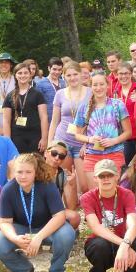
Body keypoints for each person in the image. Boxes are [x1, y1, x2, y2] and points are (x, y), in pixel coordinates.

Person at [0, 154, 76, 272]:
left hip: (48, 228)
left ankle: (57, 271)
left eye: (28, 172)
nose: (23, 176)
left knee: (67, 234)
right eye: (19, 172)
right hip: (22, 228)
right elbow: (5, 222)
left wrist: (39, 237)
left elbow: (59, 216)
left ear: (35, 172)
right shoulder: (8, 190)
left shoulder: (47, 185)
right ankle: (22, 269)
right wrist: (15, 238)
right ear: (13, 172)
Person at [77, 159, 136, 272]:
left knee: (134, 242)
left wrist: (126, 244)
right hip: (101, 243)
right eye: (102, 176)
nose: (106, 179)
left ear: (117, 176)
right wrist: (124, 244)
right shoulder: (87, 198)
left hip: (122, 241)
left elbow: (133, 225)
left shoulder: (127, 194)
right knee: (99, 246)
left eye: (110, 175)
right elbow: (96, 227)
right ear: (95, 178)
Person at [74, 71, 131, 187]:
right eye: (95, 85)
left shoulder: (118, 105)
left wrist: (113, 141)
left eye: (101, 84)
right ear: (91, 86)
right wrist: (90, 139)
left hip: (115, 154)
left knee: (115, 191)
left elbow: (128, 132)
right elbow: (77, 134)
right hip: (92, 155)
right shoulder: (84, 107)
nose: (98, 88)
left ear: (107, 85)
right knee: (95, 193)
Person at [48, 61, 91, 194]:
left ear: (80, 74)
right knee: (64, 180)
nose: (72, 78)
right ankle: (68, 209)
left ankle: (81, 209)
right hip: (62, 141)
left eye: (75, 74)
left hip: (81, 142)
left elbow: (94, 121)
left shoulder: (90, 93)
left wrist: (87, 142)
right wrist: (50, 144)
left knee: (84, 186)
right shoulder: (60, 94)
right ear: (64, 76)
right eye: (68, 75)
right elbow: (54, 121)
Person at [2, 61, 49, 153]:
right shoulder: (10, 96)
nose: (23, 76)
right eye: (20, 73)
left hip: (35, 136)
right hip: (16, 137)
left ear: (30, 75)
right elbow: (6, 120)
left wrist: (44, 138)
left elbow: (44, 117)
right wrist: (7, 140)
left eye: (25, 73)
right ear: (15, 75)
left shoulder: (37, 94)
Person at [112, 61, 136, 166]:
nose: (123, 76)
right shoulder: (116, 92)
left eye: (126, 73)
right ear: (117, 75)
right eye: (121, 74)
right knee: (126, 166)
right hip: (125, 136)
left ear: (131, 74)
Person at [43, 141, 81, 229]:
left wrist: (73, 185)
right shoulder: (34, 170)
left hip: (53, 211)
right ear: (45, 153)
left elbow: (71, 207)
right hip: (34, 209)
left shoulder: (63, 175)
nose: (57, 158)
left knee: (74, 217)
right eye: (54, 153)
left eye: (61, 156)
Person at [35, 57, 66, 122]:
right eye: (54, 69)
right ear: (49, 68)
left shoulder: (64, 83)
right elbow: (37, 105)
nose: (57, 72)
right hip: (48, 120)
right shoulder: (40, 84)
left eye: (59, 70)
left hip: (62, 119)